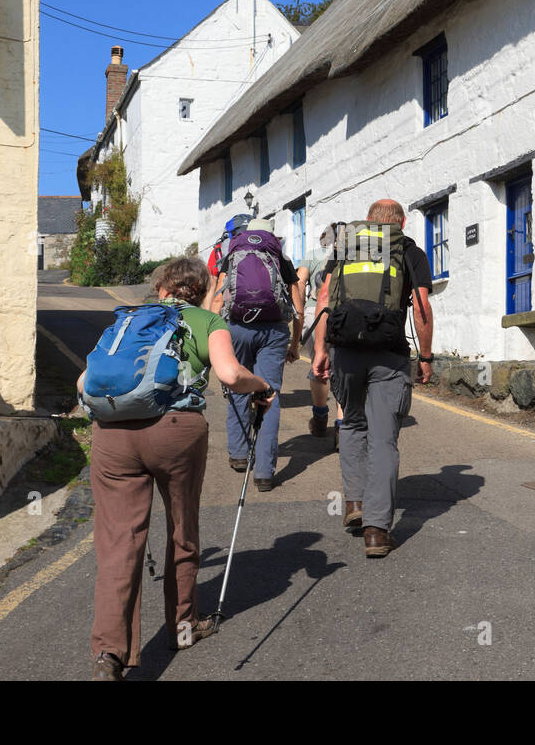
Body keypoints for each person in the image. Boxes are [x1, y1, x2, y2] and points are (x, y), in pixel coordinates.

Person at [81, 256, 275, 680]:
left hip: (113, 437)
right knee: (181, 530)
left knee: (118, 543)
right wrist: (261, 386)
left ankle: (108, 656)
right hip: (175, 432)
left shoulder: (128, 322)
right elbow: (228, 373)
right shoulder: (207, 322)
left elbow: (84, 382)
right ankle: (183, 627)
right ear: (203, 289)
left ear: (160, 289)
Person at [312, 200, 434, 558]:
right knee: (383, 439)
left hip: (345, 349)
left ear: (369, 221)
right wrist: (425, 357)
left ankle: (354, 504)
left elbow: (323, 296)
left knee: (350, 424)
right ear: (402, 222)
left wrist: (320, 350)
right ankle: (377, 533)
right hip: (389, 351)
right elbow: (422, 304)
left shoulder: (347, 246)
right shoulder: (409, 249)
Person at [219, 219, 305, 492]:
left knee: (237, 387)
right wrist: (295, 342)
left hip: (237, 328)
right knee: (269, 393)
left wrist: (216, 340)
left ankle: (239, 455)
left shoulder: (233, 252)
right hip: (273, 331)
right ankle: (265, 473)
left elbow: (219, 299)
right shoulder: (279, 255)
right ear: (271, 234)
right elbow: (298, 305)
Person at [295, 222, 345, 444]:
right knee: (342, 367)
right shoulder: (353, 255)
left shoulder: (313, 255)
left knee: (318, 364)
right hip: (344, 315)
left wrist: (299, 311)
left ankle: (320, 416)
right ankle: (342, 426)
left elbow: (300, 281)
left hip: (316, 313)